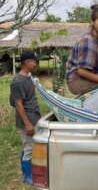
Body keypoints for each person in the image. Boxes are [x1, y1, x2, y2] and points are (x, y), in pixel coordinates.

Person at [9, 50, 41, 185]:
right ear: (27, 62)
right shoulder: (18, 81)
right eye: (34, 61)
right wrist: (27, 124)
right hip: (27, 120)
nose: (35, 64)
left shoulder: (28, 77)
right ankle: (28, 177)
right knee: (29, 147)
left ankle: (26, 171)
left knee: (29, 145)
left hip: (34, 117)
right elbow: (17, 104)